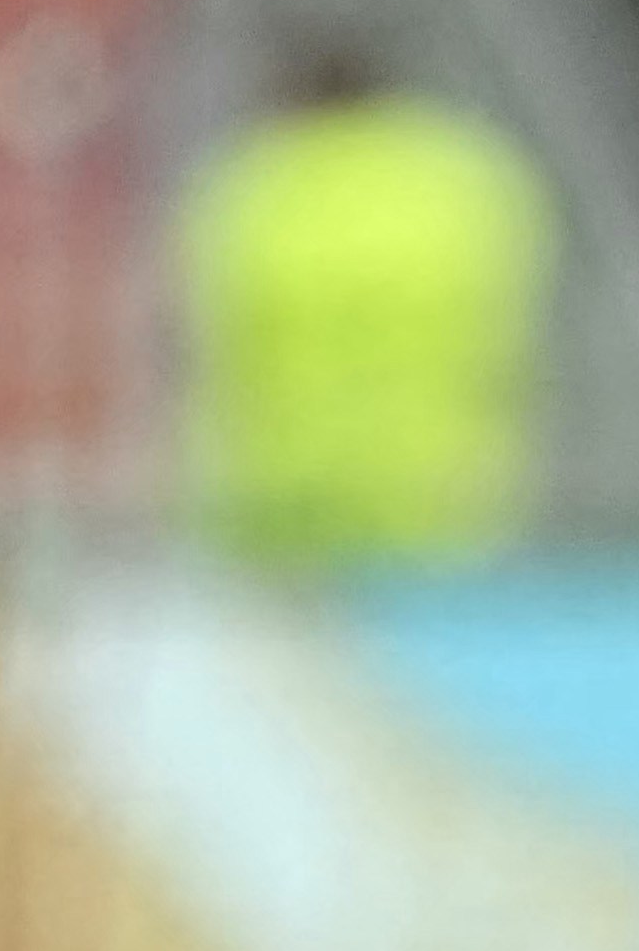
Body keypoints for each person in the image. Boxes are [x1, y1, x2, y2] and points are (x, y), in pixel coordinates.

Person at [173, 47, 548, 569]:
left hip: (279, 498)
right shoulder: (460, 181)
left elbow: (204, 342)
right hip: (438, 495)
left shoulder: (256, 185)